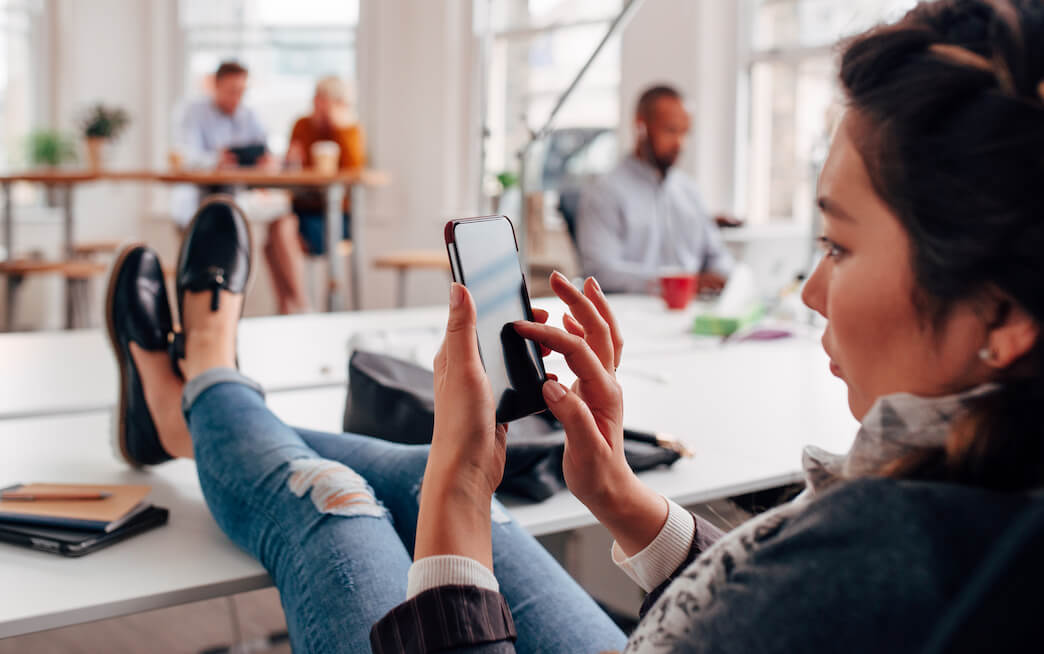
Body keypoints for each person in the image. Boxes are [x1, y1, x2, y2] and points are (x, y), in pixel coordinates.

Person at [105, 1, 1044, 651]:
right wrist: (621, 497)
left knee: (330, 502)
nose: (808, 293)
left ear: (1000, 314)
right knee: (398, 466)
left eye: (837, 247)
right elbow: (803, 619)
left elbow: (815, 599)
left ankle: (202, 380)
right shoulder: (978, 505)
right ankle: (197, 412)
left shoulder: (887, 551)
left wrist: (461, 496)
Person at [577, 85, 734, 294]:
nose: (680, 144)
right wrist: (677, 284)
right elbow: (600, 273)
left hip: (695, 311)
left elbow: (718, 256)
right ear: (641, 126)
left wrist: (722, 277)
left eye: (685, 133)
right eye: (671, 130)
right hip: (634, 315)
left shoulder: (689, 191)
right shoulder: (605, 192)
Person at [264, 76, 366, 314]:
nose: (317, 106)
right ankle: (288, 309)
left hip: (334, 215)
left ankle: (300, 306)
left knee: (280, 231)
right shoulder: (303, 125)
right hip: (303, 209)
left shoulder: (349, 130)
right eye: (316, 100)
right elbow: (292, 169)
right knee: (272, 239)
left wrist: (339, 126)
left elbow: (355, 171)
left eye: (324, 101)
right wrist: (288, 162)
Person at [170, 60, 271, 229]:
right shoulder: (192, 111)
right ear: (216, 86)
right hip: (197, 197)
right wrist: (215, 160)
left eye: (241, 92)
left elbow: (263, 147)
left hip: (234, 196)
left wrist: (264, 159)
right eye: (232, 91)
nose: (237, 98)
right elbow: (185, 156)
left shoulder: (249, 114)